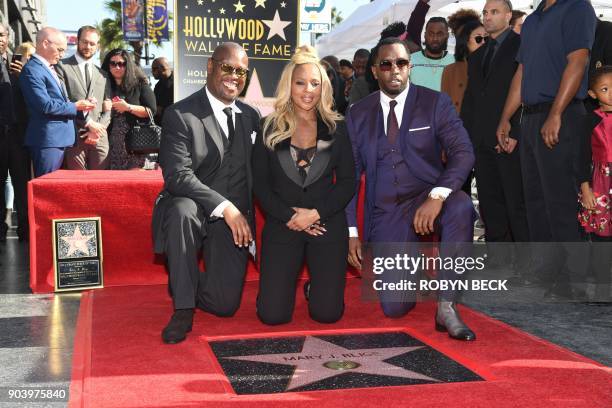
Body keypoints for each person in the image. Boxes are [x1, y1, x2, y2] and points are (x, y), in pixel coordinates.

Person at [346, 37, 476, 341]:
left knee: (460, 206)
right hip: (387, 210)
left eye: (401, 63)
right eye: (386, 64)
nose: (395, 69)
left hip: (427, 196)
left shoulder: (435, 103)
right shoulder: (357, 114)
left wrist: (437, 194)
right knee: (394, 308)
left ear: (410, 67)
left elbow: (463, 152)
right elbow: (350, 176)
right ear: (375, 71)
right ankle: (412, 268)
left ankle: (447, 304)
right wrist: (351, 232)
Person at [151, 42, 260, 344]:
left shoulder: (251, 117)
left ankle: (184, 278)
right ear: (211, 67)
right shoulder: (180, 114)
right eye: (228, 67)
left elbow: (262, 172)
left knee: (224, 306)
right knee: (182, 210)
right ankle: (183, 308)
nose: (234, 76)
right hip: (195, 208)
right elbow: (177, 176)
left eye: (241, 71)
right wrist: (225, 207)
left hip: (233, 220)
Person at [496, 0, 596, 298]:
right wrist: (505, 118)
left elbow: (577, 62)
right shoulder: (533, 19)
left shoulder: (578, 7)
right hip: (530, 119)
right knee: (536, 201)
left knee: (561, 202)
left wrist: (556, 113)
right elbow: (522, 72)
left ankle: (574, 282)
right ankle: (546, 274)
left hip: (562, 114)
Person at [252, 46, 355, 325]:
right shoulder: (268, 127)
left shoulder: (338, 128)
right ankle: (272, 293)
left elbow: (347, 183)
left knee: (327, 315)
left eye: (315, 83)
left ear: (324, 88)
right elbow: (260, 184)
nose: (308, 89)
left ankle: (317, 290)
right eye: (300, 82)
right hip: (282, 223)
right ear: (289, 85)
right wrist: (292, 216)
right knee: (272, 316)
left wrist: (314, 213)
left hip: (326, 223)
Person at [462, 0, 531, 277]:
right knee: (490, 201)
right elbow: (471, 101)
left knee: (516, 199)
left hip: (509, 137)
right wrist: (464, 139)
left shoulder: (521, 47)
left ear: (508, 15)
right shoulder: (477, 55)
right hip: (480, 140)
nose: (487, 17)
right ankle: (499, 259)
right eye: (485, 13)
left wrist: (514, 130)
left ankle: (526, 263)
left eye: (494, 12)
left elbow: (524, 91)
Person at [19, 27, 95, 177]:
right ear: (45, 43)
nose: (62, 54)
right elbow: (45, 105)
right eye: (60, 49)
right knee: (46, 190)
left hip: (61, 140)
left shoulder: (48, 68)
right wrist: (75, 106)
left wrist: (83, 108)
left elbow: (60, 101)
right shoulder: (32, 70)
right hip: (48, 141)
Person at [578, 66, 612, 300]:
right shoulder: (589, 120)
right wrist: (585, 188)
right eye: (605, 89)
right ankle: (602, 288)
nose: (611, 93)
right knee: (602, 239)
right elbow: (580, 157)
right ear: (592, 94)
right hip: (601, 183)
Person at [56, 26, 112, 170]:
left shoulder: (103, 74)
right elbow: (63, 101)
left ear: (97, 46)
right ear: (77, 41)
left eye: (92, 43)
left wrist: (97, 129)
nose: (88, 46)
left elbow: (108, 107)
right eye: (84, 42)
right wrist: (88, 124)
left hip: (99, 138)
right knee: (77, 186)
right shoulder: (62, 67)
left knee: (101, 186)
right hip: (74, 135)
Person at [0, 39, 34, 242]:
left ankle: (25, 228)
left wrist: (23, 76)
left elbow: (33, 98)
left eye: (2, 34)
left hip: (20, 135)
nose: (1, 38)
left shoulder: (22, 67)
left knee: (22, 184)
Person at [101, 48, 156, 170]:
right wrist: (103, 107)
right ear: (108, 65)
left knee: (136, 181)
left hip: (136, 142)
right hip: (109, 144)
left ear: (128, 65)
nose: (117, 67)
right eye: (113, 63)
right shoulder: (103, 85)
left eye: (121, 64)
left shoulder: (140, 84)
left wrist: (128, 107)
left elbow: (151, 111)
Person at [442, 12, 485, 113]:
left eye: (486, 38)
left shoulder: (493, 66)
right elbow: (445, 107)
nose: (483, 42)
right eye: (478, 38)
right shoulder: (450, 70)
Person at [409, 17, 454, 91]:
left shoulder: (455, 62)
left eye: (439, 34)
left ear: (447, 35)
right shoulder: (410, 60)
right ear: (425, 35)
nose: (435, 38)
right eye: (431, 34)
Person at [151, 57, 173, 124]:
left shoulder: (177, 82)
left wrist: (162, 110)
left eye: (154, 69)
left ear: (163, 68)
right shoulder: (158, 85)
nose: (152, 72)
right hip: (160, 125)